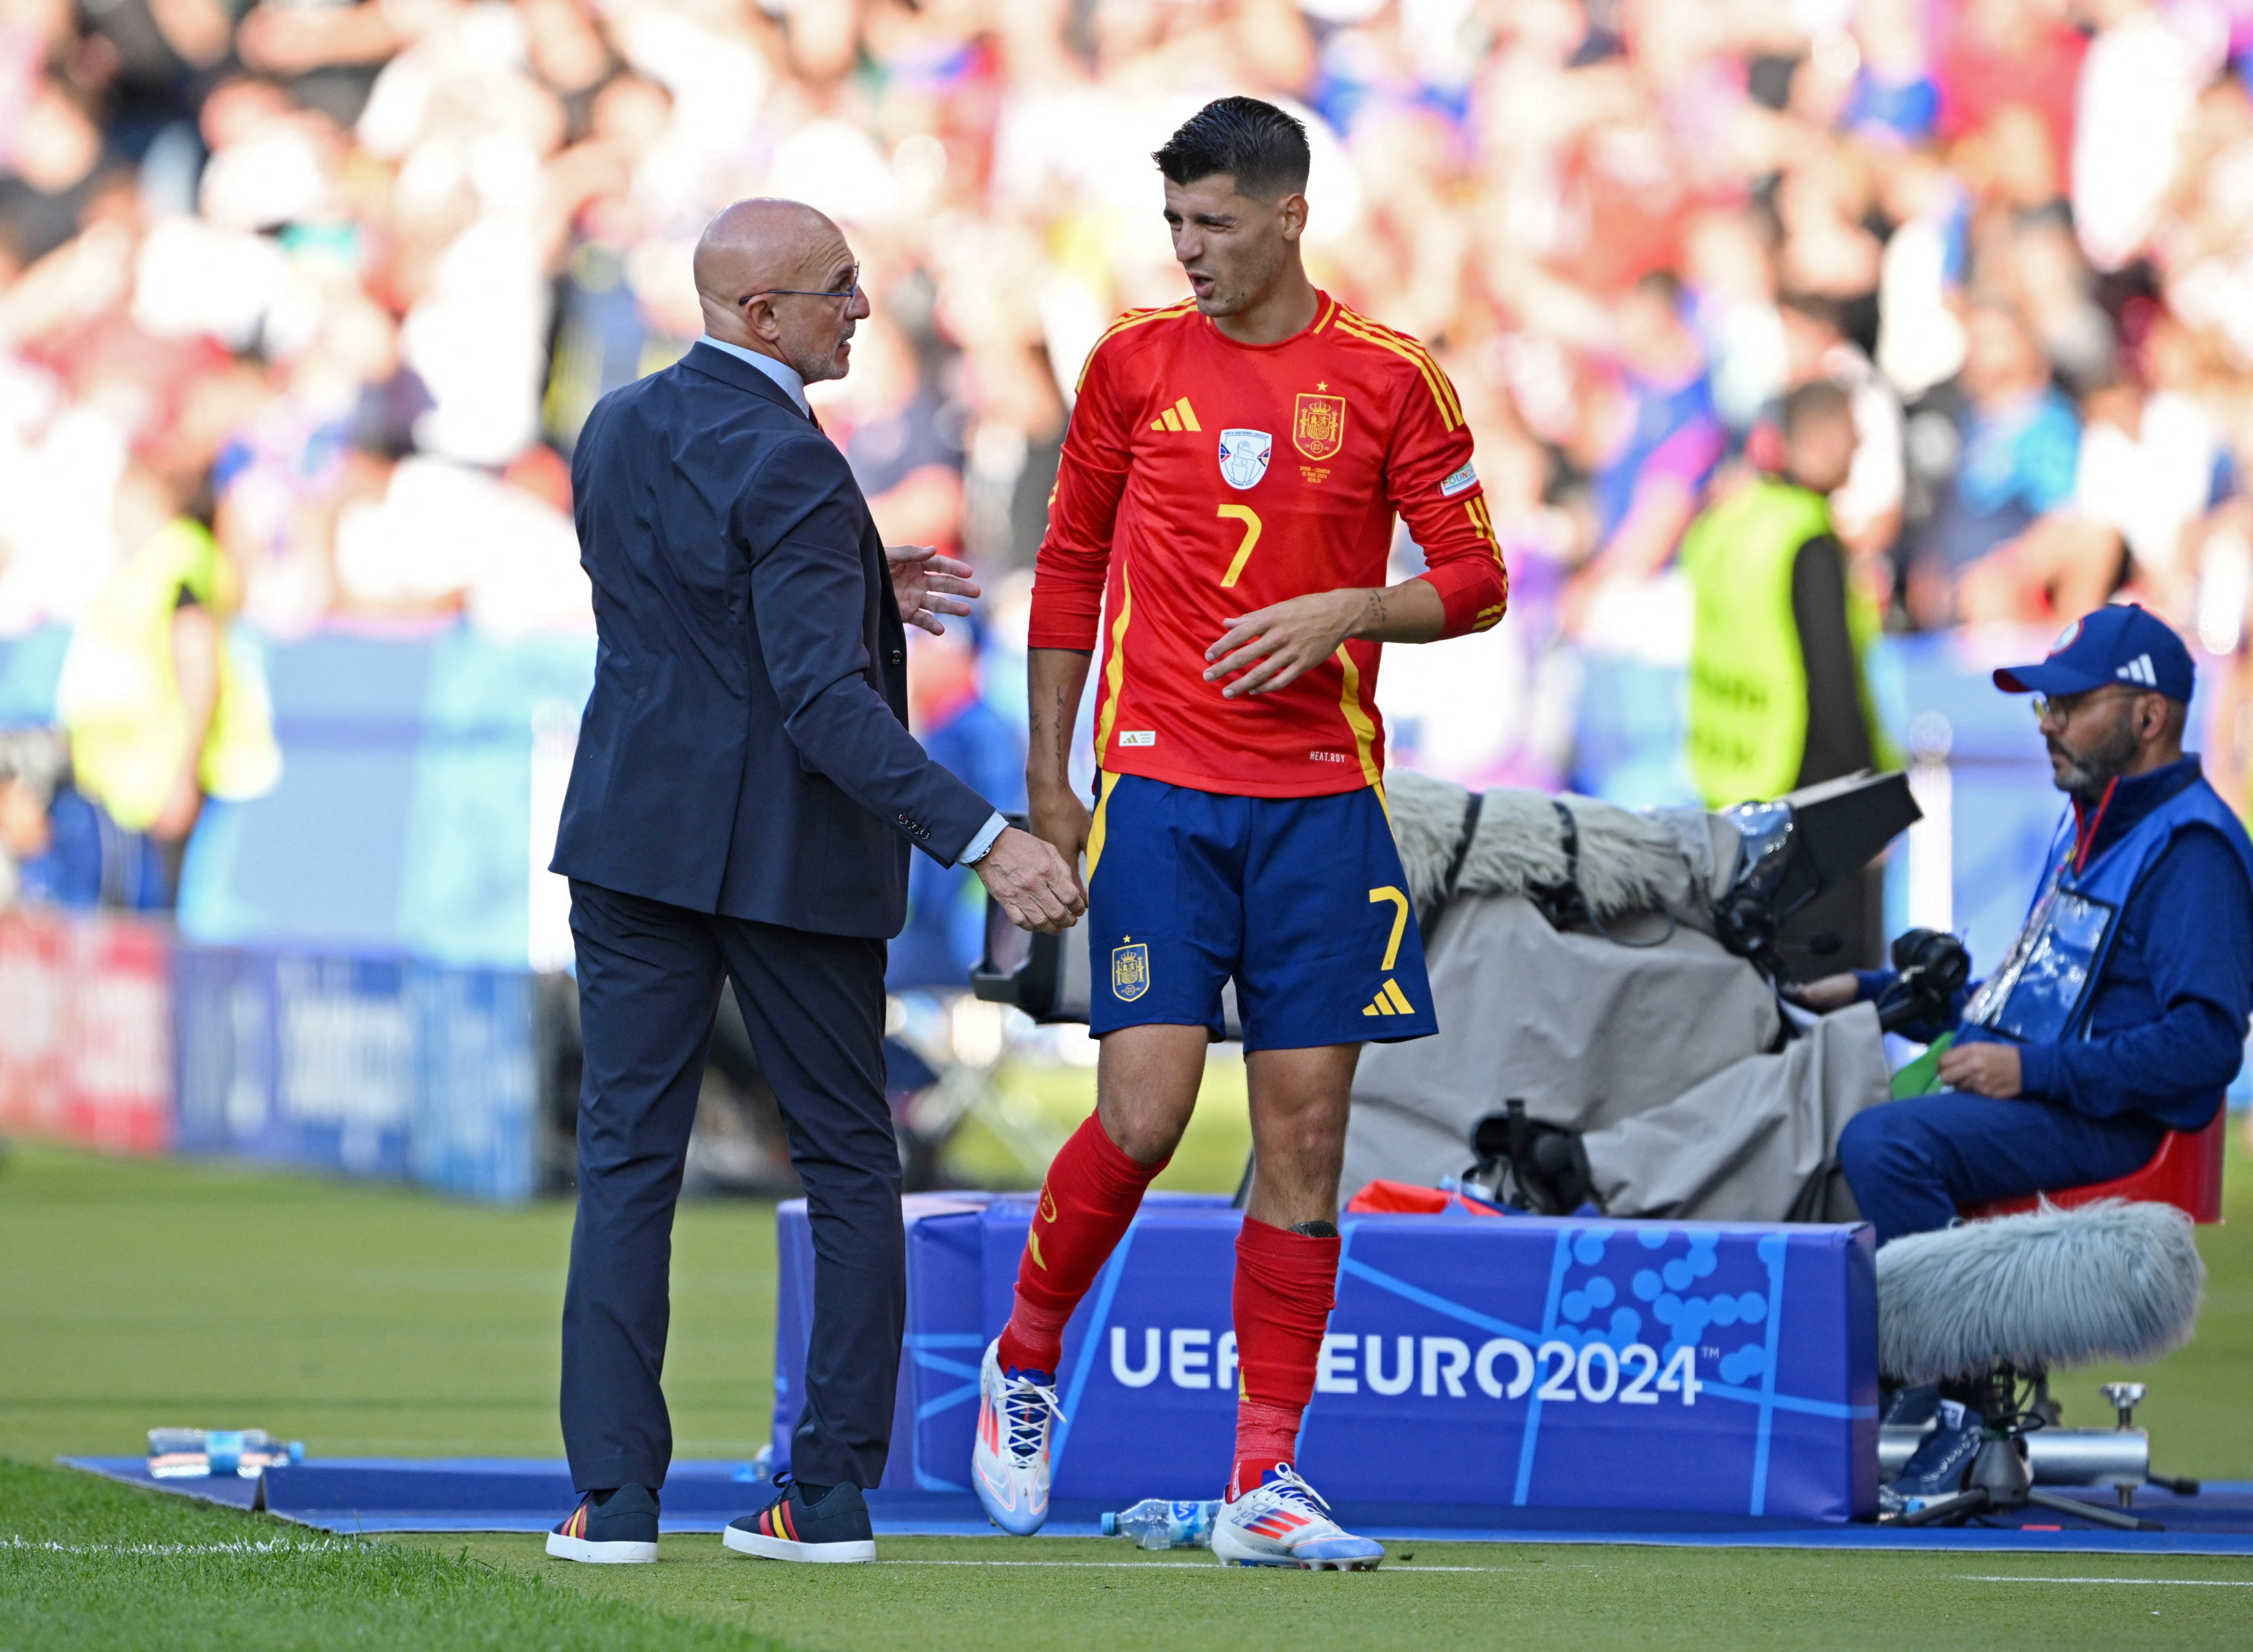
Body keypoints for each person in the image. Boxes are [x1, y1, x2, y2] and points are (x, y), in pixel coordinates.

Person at [972, 97, 1510, 1571]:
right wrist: (1051, 778)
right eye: (1175, 227)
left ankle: (1263, 1476)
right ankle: (1025, 1356)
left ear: (1288, 215)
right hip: (1162, 789)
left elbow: (1476, 579)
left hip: (1325, 803)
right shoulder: (1135, 365)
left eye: (1213, 223)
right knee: (1143, 1116)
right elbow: (1069, 568)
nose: (1189, 251)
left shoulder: (1394, 376)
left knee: (1307, 1137)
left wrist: (1357, 605)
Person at [543, 197, 1082, 1567]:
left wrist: (853, 574)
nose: (861, 306)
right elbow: (821, 709)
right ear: (761, 315)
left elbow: (677, 594)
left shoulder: (614, 424)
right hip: (779, 856)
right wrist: (987, 838)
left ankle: (612, 1500)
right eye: (837, 288)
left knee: (626, 1165)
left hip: (631, 840)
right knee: (852, 1161)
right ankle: (825, 1496)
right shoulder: (793, 458)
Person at [1800, 604, 2253, 1498]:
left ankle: (1958, 1405)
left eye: (2068, 704)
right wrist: (1872, 994)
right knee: (1844, 1116)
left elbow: (2205, 1046)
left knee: (1888, 1141)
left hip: (2119, 1126)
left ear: (2147, 716)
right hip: (2065, 1100)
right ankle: (1906, 1382)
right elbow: (2032, 1010)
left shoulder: (2191, 849)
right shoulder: (2097, 824)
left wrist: (2031, 1072)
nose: (2044, 722)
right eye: (2042, 705)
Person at [1681, 380, 1889, 968]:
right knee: (1828, 994)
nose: (1860, 448)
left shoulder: (1726, 524)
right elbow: (1832, 683)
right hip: (1811, 788)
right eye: (1853, 433)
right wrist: (1865, 803)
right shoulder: (1808, 536)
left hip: (1732, 779)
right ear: (1821, 437)